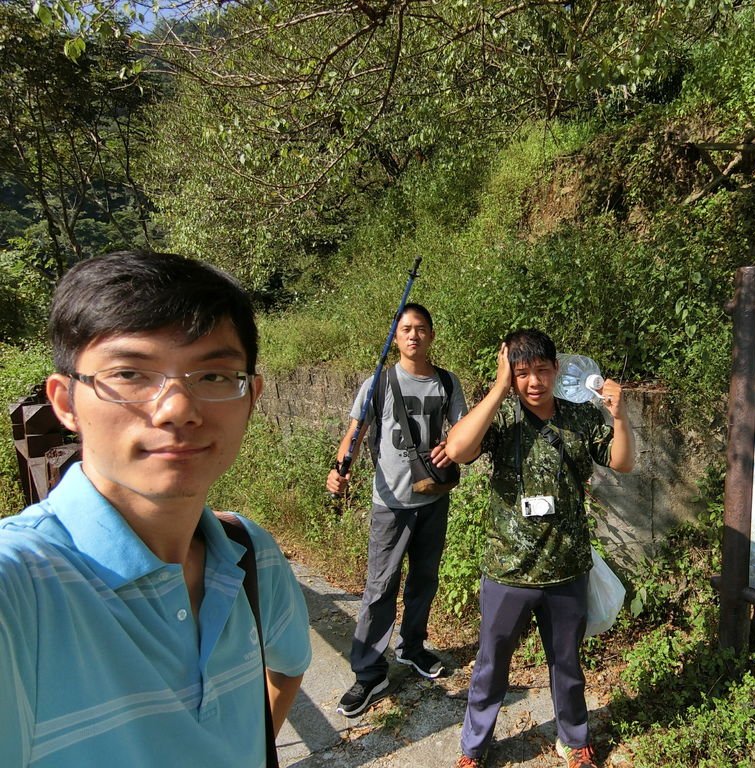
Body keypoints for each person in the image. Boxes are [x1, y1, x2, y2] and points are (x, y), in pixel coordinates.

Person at [0, 251, 312, 768]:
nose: (178, 410)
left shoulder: (249, 554)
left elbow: (288, 667)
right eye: (130, 374)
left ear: (252, 397)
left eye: (214, 376)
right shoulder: (21, 588)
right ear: (65, 402)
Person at [444, 329, 635, 768]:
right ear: (511, 375)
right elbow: (456, 448)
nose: (533, 382)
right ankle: (474, 747)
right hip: (507, 569)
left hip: (567, 570)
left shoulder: (579, 419)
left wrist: (620, 418)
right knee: (491, 664)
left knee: (566, 665)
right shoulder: (502, 418)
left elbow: (623, 461)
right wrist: (497, 387)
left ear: (556, 370)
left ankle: (574, 740)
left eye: (541, 371)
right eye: (522, 373)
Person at [326, 302, 467, 717]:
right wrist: (339, 470)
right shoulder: (379, 383)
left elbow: (461, 432)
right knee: (380, 587)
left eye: (420, 328)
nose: (413, 335)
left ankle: (412, 647)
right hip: (390, 503)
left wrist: (452, 446)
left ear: (432, 335)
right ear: (396, 335)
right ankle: (369, 673)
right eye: (405, 328)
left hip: (433, 498)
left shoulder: (446, 382)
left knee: (425, 578)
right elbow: (356, 432)